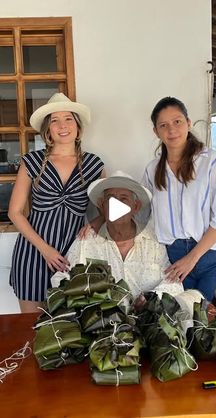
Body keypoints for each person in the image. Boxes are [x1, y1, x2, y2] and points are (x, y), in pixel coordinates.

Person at [8, 92, 105, 313]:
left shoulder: (93, 164)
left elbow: (111, 210)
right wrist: (45, 250)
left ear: (78, 127)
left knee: (70, 333)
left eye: (68, 118)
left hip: (74, 255)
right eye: (55, 120)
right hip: (33, 253)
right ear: (48, 130)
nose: (62, 125)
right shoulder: (32, 162)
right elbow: (15, 212)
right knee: (31, 330)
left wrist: (94, 223)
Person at [142, 96, 216, 301]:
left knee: (214, 326)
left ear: (188, 123)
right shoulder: (152, 170)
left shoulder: (209, 161)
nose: (171, 129)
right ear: (156, 131)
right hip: (174, 260)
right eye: (163, 125)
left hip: (213, 258)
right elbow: (141, 212)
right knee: (184, 327)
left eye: (177, 121)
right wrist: (98, 222)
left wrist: (191, 259)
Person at [51, 171, 184, 300]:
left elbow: (173, 283)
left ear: (136, 206)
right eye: (110, 199)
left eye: (123, 199)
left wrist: (149, 300)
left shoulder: (153, 239)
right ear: (103, 206)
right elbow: (61, 278)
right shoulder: (86, 239)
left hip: (146, 319)